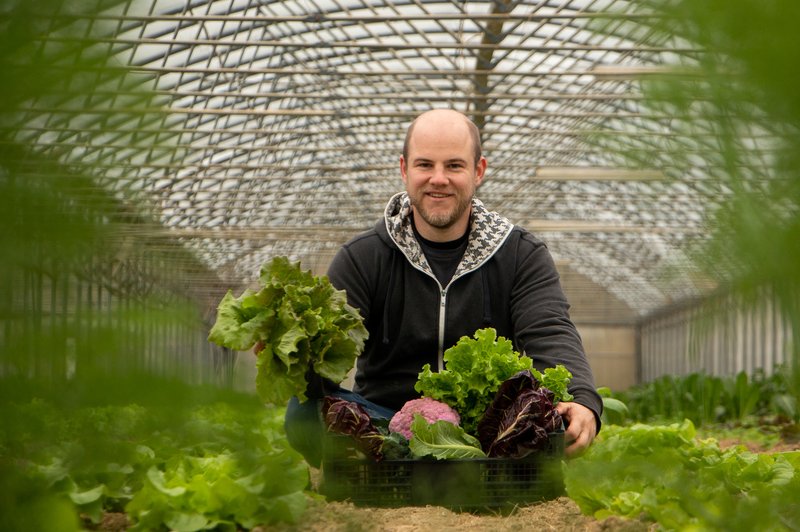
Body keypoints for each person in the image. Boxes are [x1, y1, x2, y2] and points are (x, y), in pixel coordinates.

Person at [285, 108, 602, 466]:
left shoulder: (520, 254)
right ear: (404, 170)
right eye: (425, 165)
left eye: (454, 166)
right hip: (386, 423)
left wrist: (581, 399)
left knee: (554, 420)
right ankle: (397, 463)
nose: (439, 179)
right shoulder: (363, 257)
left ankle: (431, 469)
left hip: (488, 433)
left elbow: (549, 329)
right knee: (301, 413)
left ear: (478, 171)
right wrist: (294, 356)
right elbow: (327, 358)